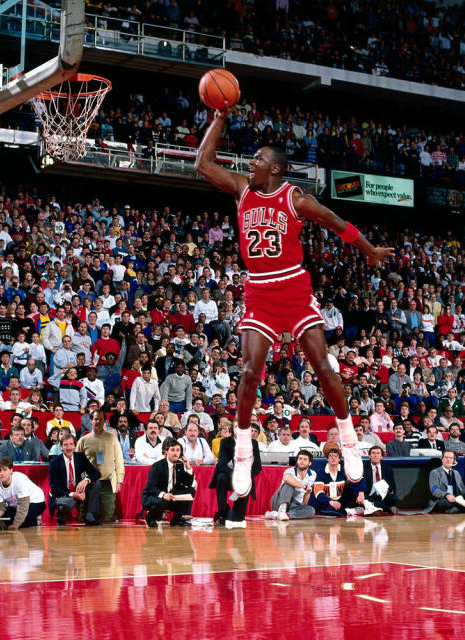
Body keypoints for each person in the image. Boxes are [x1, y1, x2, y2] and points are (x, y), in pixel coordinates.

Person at [196, 114, 393, 495]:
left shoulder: (295, 198)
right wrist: (218, 117)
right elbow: (203, 164)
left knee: (322, 366)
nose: (248, 164)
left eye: (256, 160)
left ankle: (349, 438)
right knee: (251, 371)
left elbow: (335, 221)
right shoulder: (241, 190)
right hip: (259, 291)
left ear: (273, 168)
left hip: (294, 288)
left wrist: (368, 249)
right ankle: (241, 450)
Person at [76, 409, 125, 522]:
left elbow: (119, 460)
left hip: (108, 482)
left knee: (107, 518)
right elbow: (77, 464)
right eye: (96, 419)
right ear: (91, 421)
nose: (98, 422)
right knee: (85, 519)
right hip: (90, 484)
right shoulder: (83, 440)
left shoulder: (112, 438)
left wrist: (119, 481)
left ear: (104, 422)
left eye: (101, 419)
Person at [210, 425, 261, 528]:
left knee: (237, 518)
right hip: (228, 476)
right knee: (221, 478)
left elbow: (257, 466)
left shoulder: (253, 443)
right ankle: (222, 511)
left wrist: (246, 476)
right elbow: (222, 464)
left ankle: (232, 513)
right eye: (237, 427)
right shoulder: (225, 442)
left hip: (244, 478)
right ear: (232, 429)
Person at [48, 432, 102, 526]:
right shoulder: (54, 462)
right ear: (61, 447)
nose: (68, 448)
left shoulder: (80, 457)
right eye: (65, 445)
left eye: (71, 444)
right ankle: (61, 515)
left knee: (96, 483)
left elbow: (97, 473)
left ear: (74, 446)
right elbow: (55, 487)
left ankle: (89, 515)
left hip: (78, 490)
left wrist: (86, 480)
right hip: (64, 494)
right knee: (69, 501)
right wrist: (73, 494)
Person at [141, 438, 194, 527]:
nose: (175, 453)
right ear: (166, 451)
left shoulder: (180, 464)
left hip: (171, 495)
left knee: (191, 490)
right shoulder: (157, 466)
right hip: (155, 496)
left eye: (178, 450)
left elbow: (188, 484)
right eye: (172, 450)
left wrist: (188, 466)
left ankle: (177, 519)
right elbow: (151, 487)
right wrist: (163, 494)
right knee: (163, 500)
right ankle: (150, 517)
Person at [0, 458, 46, 529]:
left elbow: (23, 506)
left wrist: (16, 524)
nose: (2, 473)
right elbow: (0, 506)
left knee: (24, 522)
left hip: (36, 500)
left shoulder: (19, 480)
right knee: (7, 521)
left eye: (5, 470)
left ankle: (36, 520)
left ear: (11, 470)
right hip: (15, 505)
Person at [265, 449, 317, 520]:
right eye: (300, 458)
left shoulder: (313, 474)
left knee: (311, 511)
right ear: (297, 460)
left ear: (309, 463)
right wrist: (304, 487)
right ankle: (281, 510)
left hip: (295, 505)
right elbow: (287, 479)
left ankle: (282, 515)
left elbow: (304, 503)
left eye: (305, 459)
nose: (302, 461)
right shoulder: (290, 470)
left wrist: (308, 492)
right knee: (289, 484)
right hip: (279, 501)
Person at [311, 449, 361, 516]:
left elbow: (360, 479)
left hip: (342, 500)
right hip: (327, 502)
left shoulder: (345, 470)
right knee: (332, 511)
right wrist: (329, 501)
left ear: (339, 459)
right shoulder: (321, 472)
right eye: (331, 456)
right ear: (327, 459)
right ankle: (349, 511)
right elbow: (318, 492)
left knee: (353, 481)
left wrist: (361, 493)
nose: (333, 458)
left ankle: (352, 508)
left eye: (336, 456)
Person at [360, 446, 398, 514]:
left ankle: (376, 508)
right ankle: (388, 508)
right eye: (373, 453)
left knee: (394, 497)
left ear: (381, 457)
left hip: (383, 496)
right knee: (363, 498)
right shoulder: (363, 468)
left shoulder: (388, 469)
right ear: (369, 456)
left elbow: (393, 487)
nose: (375, 455)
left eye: (378, 453)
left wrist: (390, 490)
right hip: (369, 496)